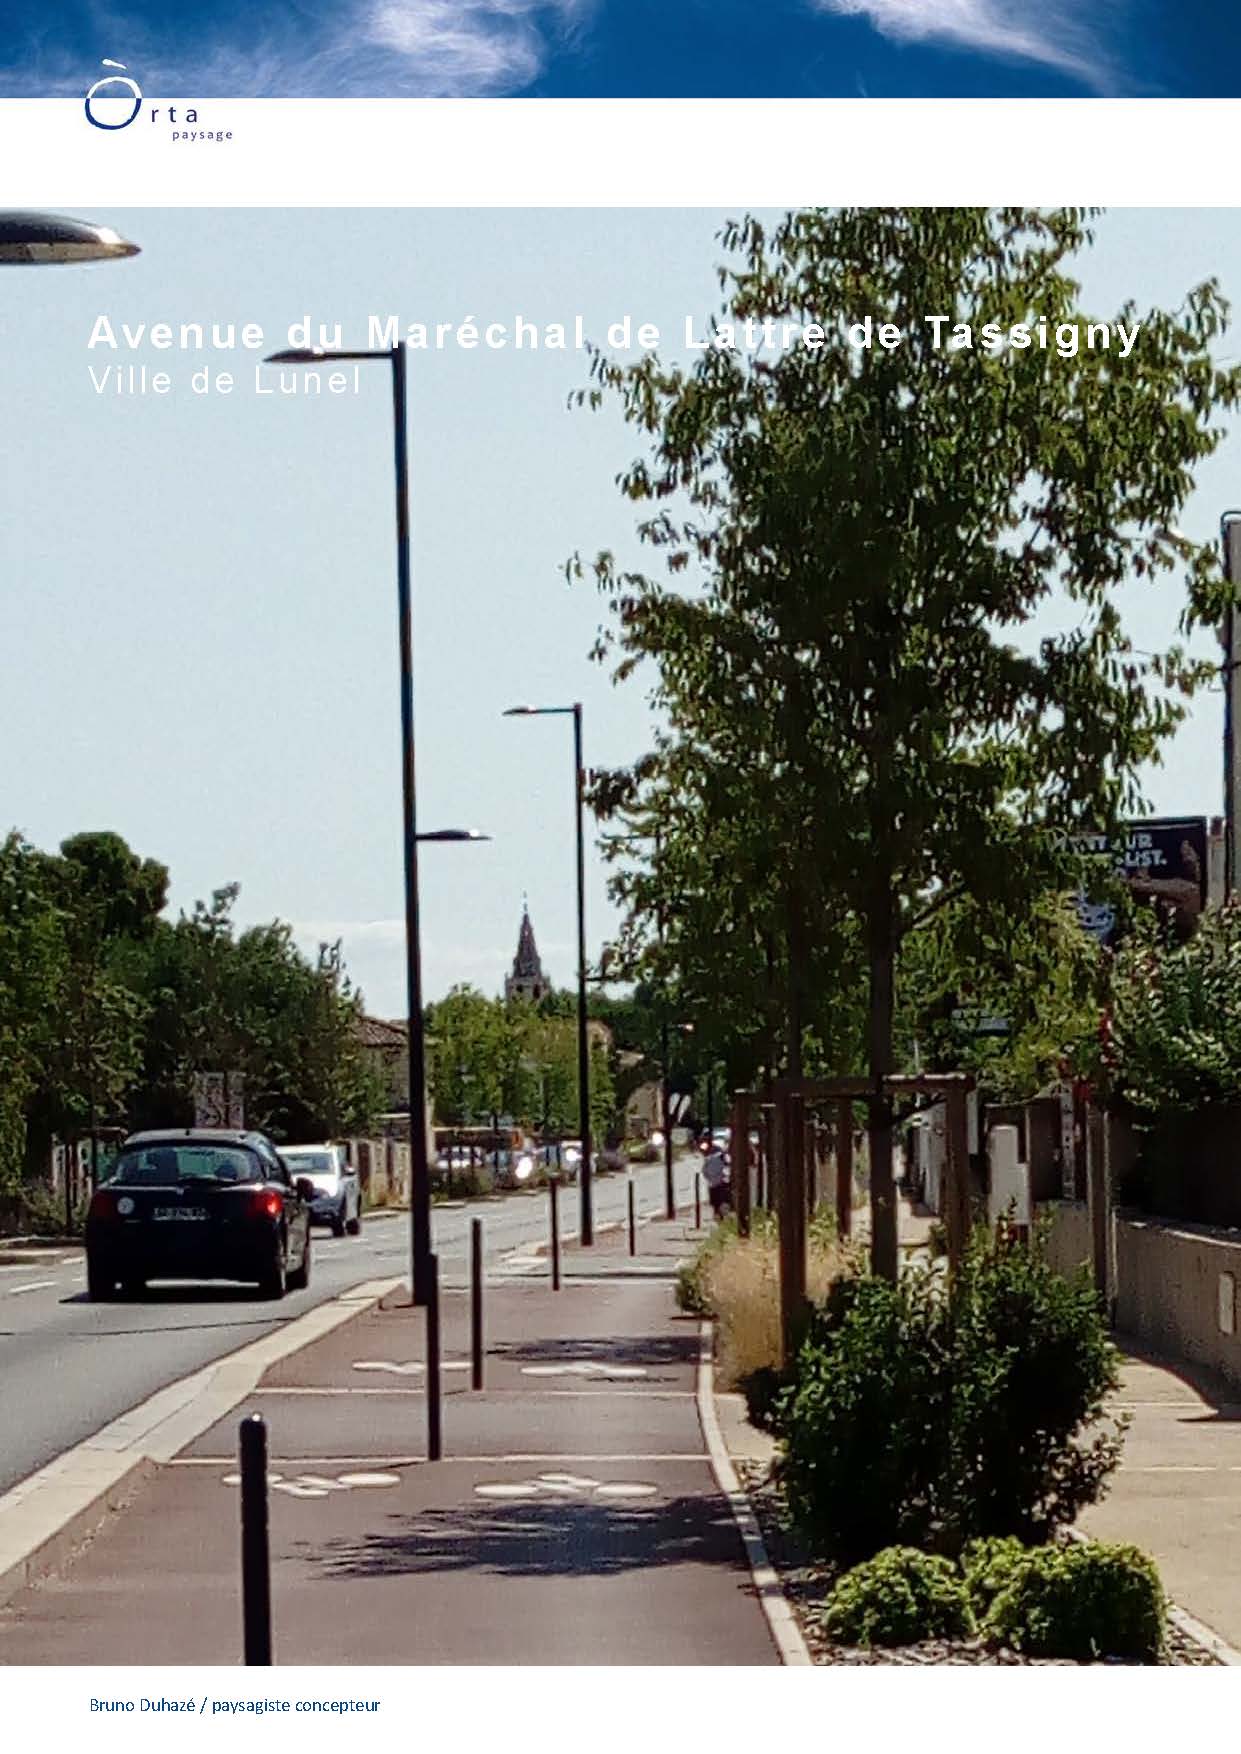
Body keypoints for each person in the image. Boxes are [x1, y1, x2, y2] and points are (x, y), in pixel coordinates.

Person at [700, 1131, 731, 1220]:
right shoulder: (707, 1148)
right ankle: (717, 1211)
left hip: (718, 1176)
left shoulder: (718, 1150)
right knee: (714, 1193)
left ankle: (720, 1211)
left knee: (719, 1193)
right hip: (714, 1177)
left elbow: (724, 1161)